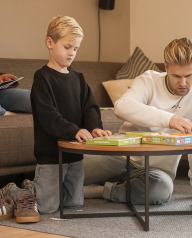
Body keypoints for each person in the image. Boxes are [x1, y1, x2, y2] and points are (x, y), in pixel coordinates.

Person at [0, 15, 111, 219]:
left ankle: (35, 185)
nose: (72, 53)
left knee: (74, 203)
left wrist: (95, 127)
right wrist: (75, 130)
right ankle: (13, 190)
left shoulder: (78, 78)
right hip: (51, 155)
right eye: (67, 47)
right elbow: (48, 116)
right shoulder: (42, 78)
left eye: (76, 49)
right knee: (46, 206)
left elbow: (90, 107)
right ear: (50, 43)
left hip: (75, 156)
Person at [83, 37, 192, 205]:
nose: (183, 83)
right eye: (176, 76)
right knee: (68, 168)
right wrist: (170, 119)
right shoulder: (149, 80)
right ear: (165, 66)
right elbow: (121, 106)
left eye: (189, 75)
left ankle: (101, 190)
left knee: (162, 189)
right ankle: (120, 186)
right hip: (121, 158)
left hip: (155, 172)